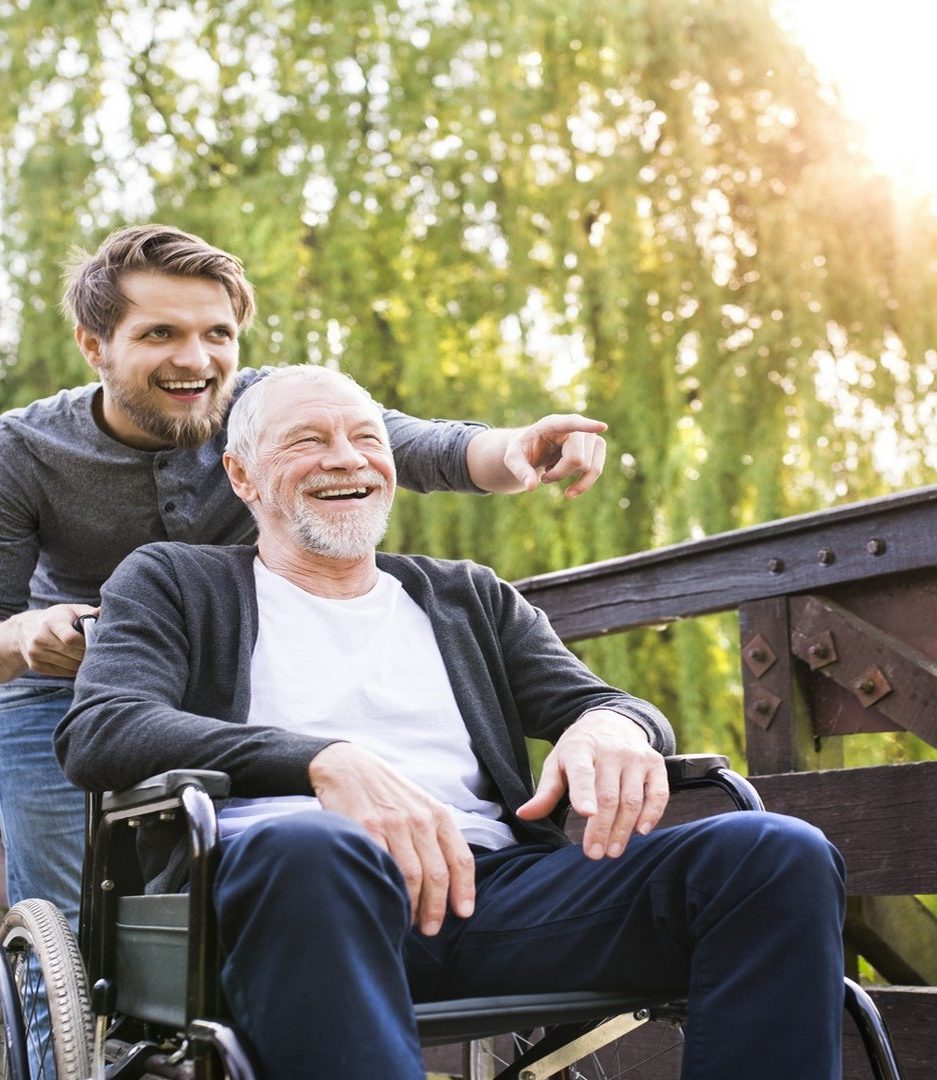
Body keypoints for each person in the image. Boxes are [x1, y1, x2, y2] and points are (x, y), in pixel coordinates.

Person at [56, 364, 846, 1080]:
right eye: (309, 441)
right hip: (288, 899)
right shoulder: (174, 581)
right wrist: (321, 761)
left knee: (774, 853)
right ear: (242, 475)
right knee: (314, 843)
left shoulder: (468, 595)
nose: (348, 458)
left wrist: (615, 725)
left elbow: (599, 701)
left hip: (492, 898)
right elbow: (104, 730)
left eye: (367, 439)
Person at [0, 224, 609, 928]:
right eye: (160, 334)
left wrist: (519, 448)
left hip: (223, 682)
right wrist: (26, 638)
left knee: (251, 871)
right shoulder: (22, 450)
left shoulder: (271, 409)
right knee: (70, 925)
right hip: (62, 694)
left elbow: (416, 445)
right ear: (93, 345)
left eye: (217, 334)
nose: (194, 360)